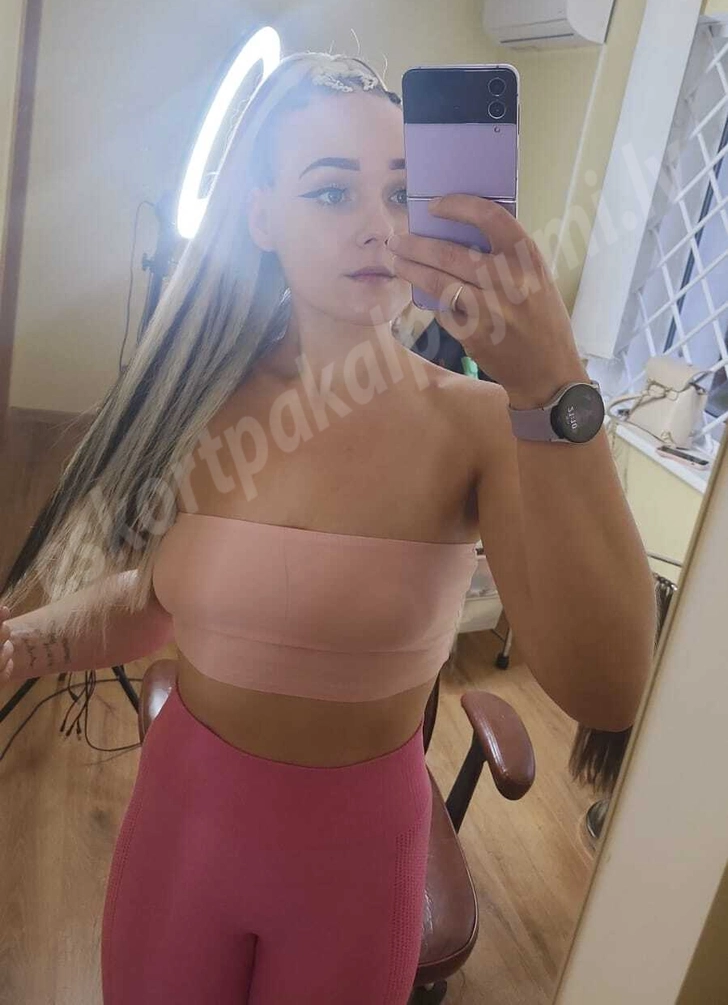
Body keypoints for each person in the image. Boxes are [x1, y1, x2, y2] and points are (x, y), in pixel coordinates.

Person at [0, 51, 657, 1005]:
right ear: (260, 216)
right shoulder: (197, 401)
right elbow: (155, 603)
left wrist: (551, 382)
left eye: (402, 194)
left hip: (358, 870)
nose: (379, 226)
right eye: (331, 191)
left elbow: (610, 683)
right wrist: (23, 644)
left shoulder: (483, 425)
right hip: (182, 837)